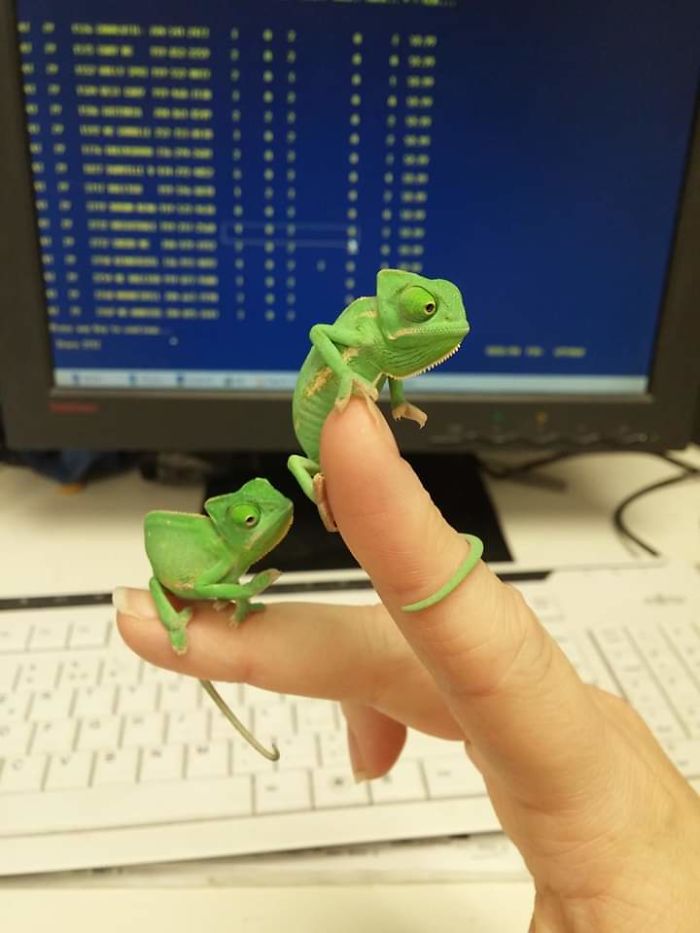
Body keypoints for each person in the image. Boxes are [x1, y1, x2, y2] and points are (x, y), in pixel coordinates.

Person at [115, 398, 700, 931]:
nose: (266, 523)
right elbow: (214, 583)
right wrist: (237, 592)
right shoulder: (218, 551)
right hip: (186, 584)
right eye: (250, 522)